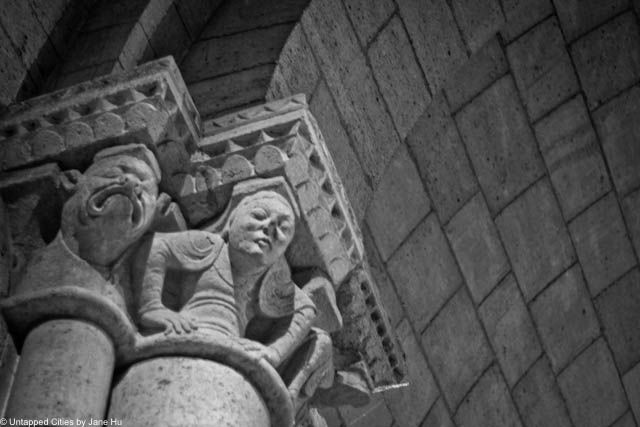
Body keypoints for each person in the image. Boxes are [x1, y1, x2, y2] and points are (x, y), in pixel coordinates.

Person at [132, 183, 317, 368]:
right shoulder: (209, 245)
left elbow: (306, 309)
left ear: (282, 252)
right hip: (187, 335)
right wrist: (151, 308)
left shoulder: (272, 281)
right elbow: (155, 246)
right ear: (231, 221)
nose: (269, 227)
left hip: (234, 351)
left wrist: (274, 352)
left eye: (283, 229)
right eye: (259, 216)